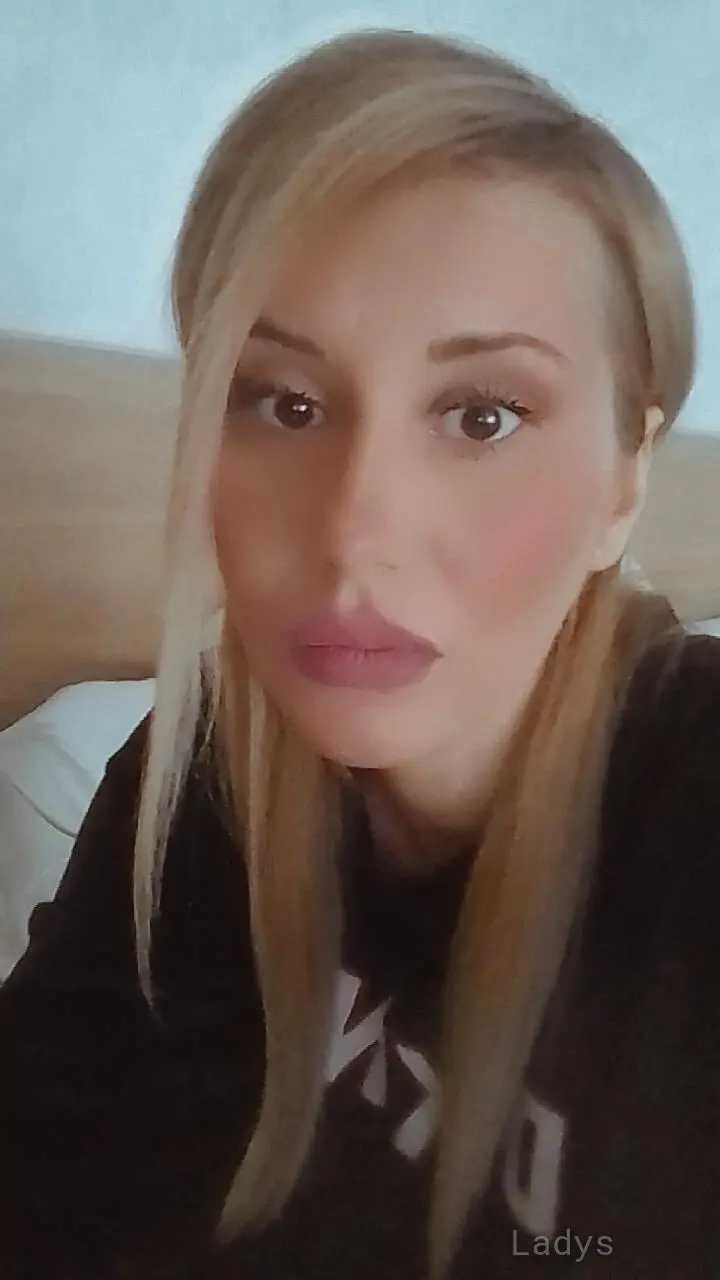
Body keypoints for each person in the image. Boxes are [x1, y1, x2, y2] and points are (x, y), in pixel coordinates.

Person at [0, 26, 717, 1280]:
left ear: (624, 480)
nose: (350, 531)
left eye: (483, 415)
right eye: (285, 402)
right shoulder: (194, 781)